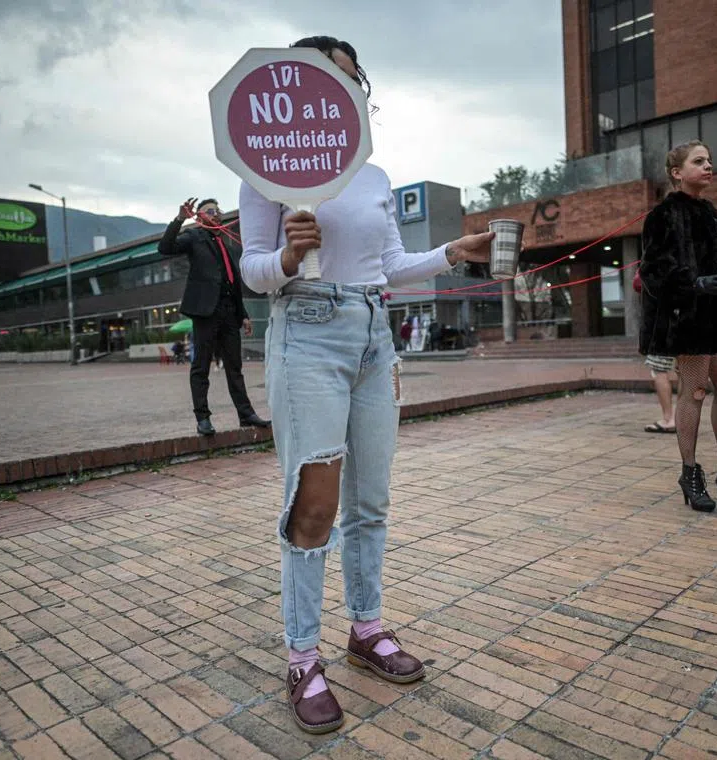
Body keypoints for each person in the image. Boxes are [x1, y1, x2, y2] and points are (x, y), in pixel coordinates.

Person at [239, 35, 496, 735]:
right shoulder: (269, 170)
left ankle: (367, 627)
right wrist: (290, 255)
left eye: (351, 83)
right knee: (314, 502)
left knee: (371, 499)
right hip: (307, 332)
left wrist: (453, 252)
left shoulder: (375, 176)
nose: (341, 94)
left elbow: (388, 265)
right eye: (326, 80)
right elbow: (252, 271)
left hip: (374, 335)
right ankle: (301, 656)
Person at [638, 139, 717, 512]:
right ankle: (690, 473)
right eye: (699, 161)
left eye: (710, 160)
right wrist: (695, 284)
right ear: (677, 172)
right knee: (694, 392)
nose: (708, 166)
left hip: (715, 319)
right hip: (688, 319)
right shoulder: (662, 216)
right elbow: (653, 271)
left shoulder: (714, 215)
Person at [158, 197, 269, 435]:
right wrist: (179, 219)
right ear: (199, 217)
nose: (216, 214)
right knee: (201, 367)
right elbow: (165, 248)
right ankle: (203, 419)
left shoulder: (226, 245)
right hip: (206, 312)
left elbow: (233, 281)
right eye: (210, 211)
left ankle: (246, 414)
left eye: (218, 210)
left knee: (235, 367)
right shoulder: (193, 237)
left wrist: (244, 314)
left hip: (229, 313)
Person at [634, 269, 676, 433]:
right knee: (686, 372)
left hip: (662, 326)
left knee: (659, 371)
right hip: (683, 322)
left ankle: (668, 419)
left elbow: (638, 284)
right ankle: (684, 418)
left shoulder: (659, 260)